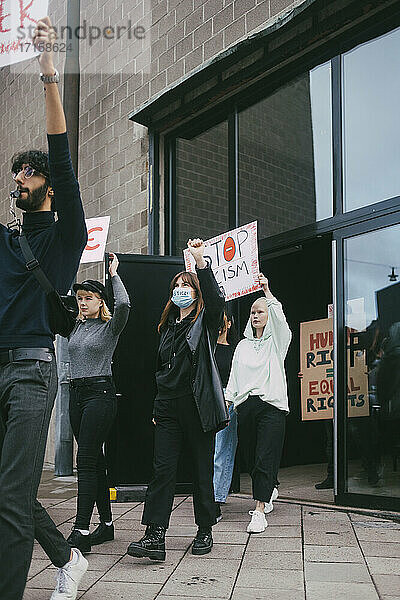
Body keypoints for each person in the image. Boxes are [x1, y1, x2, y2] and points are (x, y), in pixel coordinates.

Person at [0, 17, 88, 600]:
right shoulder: (5, 242)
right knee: (8, 490)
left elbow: (60, 153)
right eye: (16, 173)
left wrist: (49, 73)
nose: (20, 178)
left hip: (33, 371)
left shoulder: (65, 235)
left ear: (49, 187)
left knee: (9, 499)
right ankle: (66, 557)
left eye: (29, 173)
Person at [127, 238, 227, 561]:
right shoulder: (167, 328)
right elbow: (160, 373)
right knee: (162, 470)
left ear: (196, 295)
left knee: (201, 469)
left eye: (187, 286)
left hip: (197, 405)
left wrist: (201, 263)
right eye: (178, 286)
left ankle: (205, 529)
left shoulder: (205, 323)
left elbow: (216, 301)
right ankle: (155, 536)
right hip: (168, 406)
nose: (181, 290)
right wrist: (158, 407)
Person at [66, 253, 130, 554]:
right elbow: (56, 306)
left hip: (100, 394)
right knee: (98, 462)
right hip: (76, 395)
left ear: (100, 301)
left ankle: (80, 528)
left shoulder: (109, 328)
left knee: (86, 459)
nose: (83, 302)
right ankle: (106, 525)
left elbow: (125, 305)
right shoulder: (76, 327)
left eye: (89, 298)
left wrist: (114, 275)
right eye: (80, 298)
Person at [226, 274, 292, 533]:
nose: (256, 315)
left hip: (272, 406)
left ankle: (259, 510)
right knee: (252, 457)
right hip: (246, 407)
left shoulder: (277, 343)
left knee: (265, 456)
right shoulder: (242, 345)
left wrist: (267, 292)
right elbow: (234, 377)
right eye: (253, 312)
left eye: (260, 311)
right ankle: (269, 487)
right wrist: (229, 402)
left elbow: (281, 320)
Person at [213, 310, 238, 521]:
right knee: (209, 451)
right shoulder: (207, 347)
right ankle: (210, 496)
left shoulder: (237, 350)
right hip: (208, 400)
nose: (220, 325)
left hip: (228, 400)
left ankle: (216, 499)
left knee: (221, 449)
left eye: (224, 321)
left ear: (229, 324)